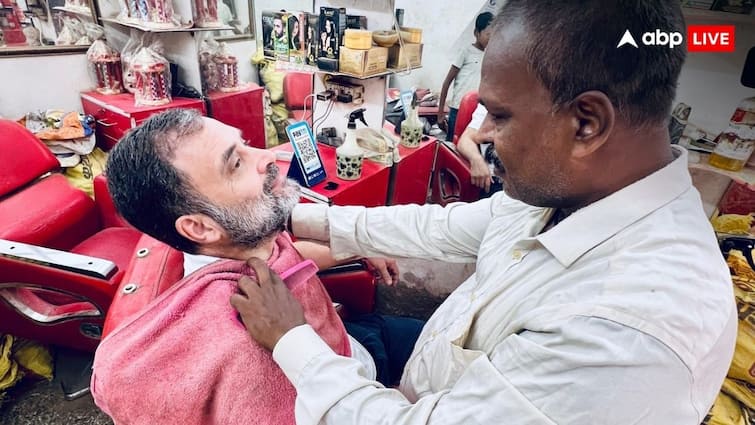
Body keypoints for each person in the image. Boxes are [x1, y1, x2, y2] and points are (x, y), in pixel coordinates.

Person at [230, 1, 738, 424]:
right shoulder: (573, 192)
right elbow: (446, 227)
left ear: (586, 123)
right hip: (431, 376)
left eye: (499, 115)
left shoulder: (624, 333)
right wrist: (300, 219)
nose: (481, 135)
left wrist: (292, 340)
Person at [93, 110, 423, 424]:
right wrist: (384, 406)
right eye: (236, 164)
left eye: (246, 145)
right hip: (346, 385)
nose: (268, 157)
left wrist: (354, 247)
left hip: (351, 340)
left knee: (445, 337)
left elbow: (289, 255)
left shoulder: (246, 235)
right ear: (201, 228)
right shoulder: (237, 342)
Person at [437, 12, 493, 141]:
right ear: (476, 33)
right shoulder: (466, 52)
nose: (490, 39)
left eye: (493, 35)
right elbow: (446, 83)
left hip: (476, 111)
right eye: (488, 34)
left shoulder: (489, 56)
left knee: (467, 145)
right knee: (452, 144)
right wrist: (440, 114)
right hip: (457, 109)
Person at [456, 102, 504, 198]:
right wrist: (476, 159)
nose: (483, 134)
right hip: (493, 181)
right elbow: (465, 140)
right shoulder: (491, 101)